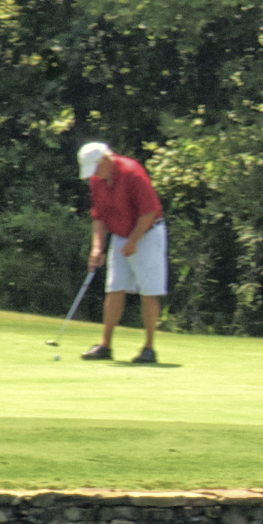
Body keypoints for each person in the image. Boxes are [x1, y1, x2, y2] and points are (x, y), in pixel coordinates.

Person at [77, 141, 167, 364]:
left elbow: (148, 213)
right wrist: (97, 247)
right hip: (120, 235)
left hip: (148, 233)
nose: (94, 175)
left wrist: (134, 241)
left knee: (149, 290)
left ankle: (149, 348)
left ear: (106, 159)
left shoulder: (132, 172)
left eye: (96, 168)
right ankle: (105, 345)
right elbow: (99, 216)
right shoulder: (97, 181)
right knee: (115, 287)